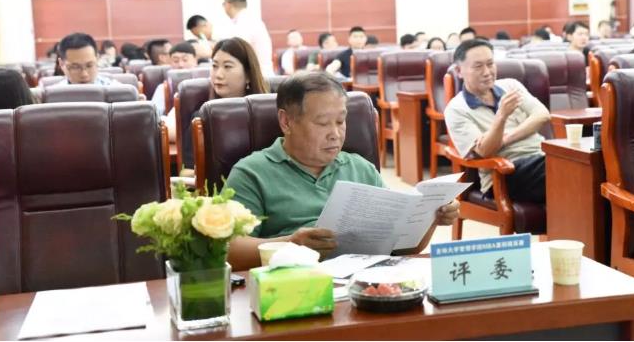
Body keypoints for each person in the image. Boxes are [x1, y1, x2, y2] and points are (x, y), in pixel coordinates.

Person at [225, 71, 461, 269]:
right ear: (286, 122)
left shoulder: (360, 168)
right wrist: (291, 245)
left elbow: (403, 248)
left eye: (340, 121)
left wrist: (431, 219)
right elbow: (229, 250)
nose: (335, 134)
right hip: (294, 284)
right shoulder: (252, 173)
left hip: (365, 283)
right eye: (322, 123)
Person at [444, 39, 550, 205]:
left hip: (540, 157)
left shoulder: (510, 86)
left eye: (490, 64)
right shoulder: (456, 109)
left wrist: (505, 138)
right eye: (478, 66)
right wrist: (501, 116)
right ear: (459, 71)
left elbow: (542, 115)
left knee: (579, 163)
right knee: (563, 168)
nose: (487, 72)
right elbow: (485, 151)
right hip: (504, 174)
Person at [163, 37, 269, 168]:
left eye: (227, 66)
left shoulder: (268, 114)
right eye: (214, 66)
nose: (218, 74)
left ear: (248, 74)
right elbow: (189, 169)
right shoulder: (202, 117)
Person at [222, 0, 273, 75]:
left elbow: (236, 52)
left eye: (223, 4)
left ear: (228, 4)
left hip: (258, 79)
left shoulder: (244, 22)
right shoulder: (249, 19)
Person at [151, 41, 198, 116]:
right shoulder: (164, 88)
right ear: (170, 63)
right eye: (176, 61)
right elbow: (155, 115)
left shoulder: (205, 85)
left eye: (185, 60)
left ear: (195, 61)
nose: (181, 65)